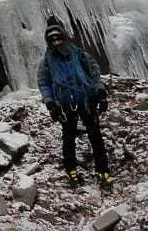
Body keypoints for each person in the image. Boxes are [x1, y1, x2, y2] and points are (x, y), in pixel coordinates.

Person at [37, 19, 113, 189]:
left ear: (64, 37)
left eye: (58, 38)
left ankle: (103, 170)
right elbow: (44, 83)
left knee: (95, 136)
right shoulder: (46, 62)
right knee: (68, 138)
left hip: (86, 100)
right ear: (49, 42)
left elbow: (94, 74)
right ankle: (72, 170)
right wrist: (50, 103)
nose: (56, 42)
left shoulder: (80, 55)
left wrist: (100, 93)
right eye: (52, 40)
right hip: (65, 104)